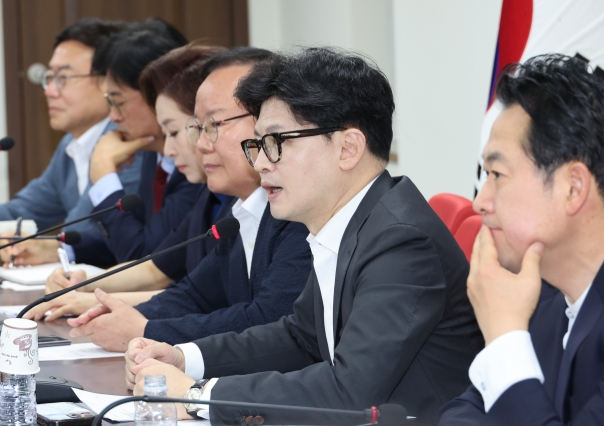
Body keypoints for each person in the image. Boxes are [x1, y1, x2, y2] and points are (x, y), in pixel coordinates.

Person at [125, 47, 483, 425]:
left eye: (277, 142)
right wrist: (185, 358)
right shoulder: (353, 223)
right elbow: (300, 338)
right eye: (258, 144)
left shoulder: (401, 242)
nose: (262, 162)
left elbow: (348, 391)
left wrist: (196, 395)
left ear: (348, 148)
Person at [51, 47, 312, 355]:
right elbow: (193, 294)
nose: (199, 145)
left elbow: (268, 320)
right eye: (197, 128)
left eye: (213, 125)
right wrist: (119, 313)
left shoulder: (299, 210)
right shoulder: (240, 209)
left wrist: (146, 329)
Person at [438, 54, 604, 425]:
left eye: (497, 174)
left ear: (572, 188)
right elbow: (463, 410)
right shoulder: (542, 287)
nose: (480, 202)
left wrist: (504, 338)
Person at [25, 44, 230, 322]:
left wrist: (103, 176)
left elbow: (151, 262)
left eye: (175, 131)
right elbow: (155, 269)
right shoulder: (202, 188)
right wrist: (81, 287)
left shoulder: (211, 187)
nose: (169, 149)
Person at [9, 22, 202, 268]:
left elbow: (141, 254)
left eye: (116, 101)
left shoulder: (191, 162)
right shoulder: (150, 153)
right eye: (49, 77)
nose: (113, 117)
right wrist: (62, 247)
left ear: (153, 93)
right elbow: (129, 242)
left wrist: (103, 175)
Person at [0, 18, 143, 262]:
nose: (49, 91)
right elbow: (19, 213)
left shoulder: (129, 142)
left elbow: (84, 232)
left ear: (108, 81)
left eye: (63, 78)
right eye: (49, 77)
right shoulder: (70, 145)